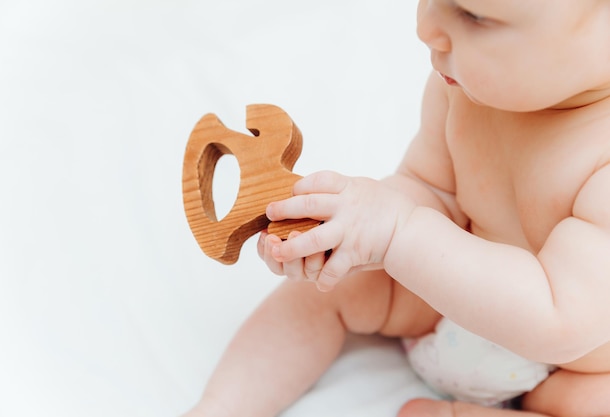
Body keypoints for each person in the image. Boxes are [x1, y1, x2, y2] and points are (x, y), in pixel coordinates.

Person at [185, 0, 610, 415]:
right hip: (450, 300)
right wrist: (355, 228)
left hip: (579, 366)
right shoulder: (464, 87)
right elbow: (430, 189)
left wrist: (401, 233)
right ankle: (221, 407)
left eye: (474, 15)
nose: (426, 27)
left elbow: (558, 319)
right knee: (327, 287)